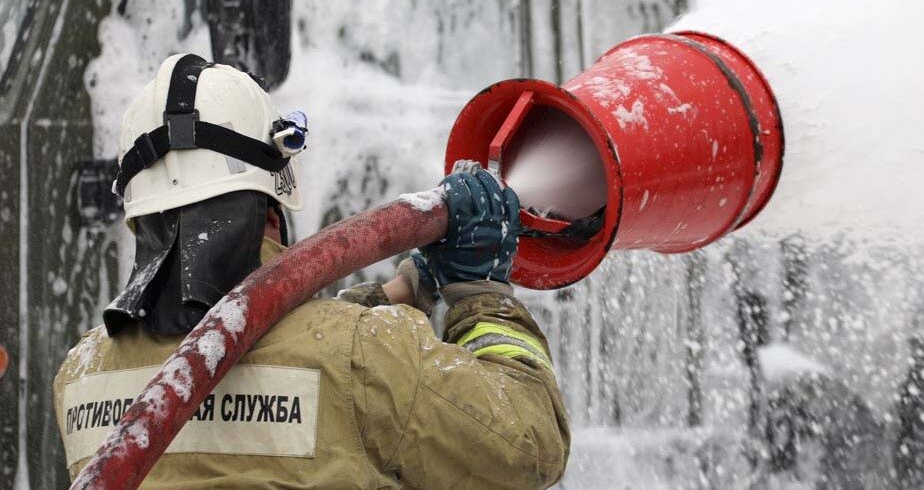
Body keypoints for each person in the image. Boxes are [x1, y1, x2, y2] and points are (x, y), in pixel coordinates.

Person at [54, 54, 569, 488]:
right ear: (271, 207)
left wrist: (403, 291)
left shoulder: (79, 373)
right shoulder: (364, 355)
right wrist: (481, 294)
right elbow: (530, 444)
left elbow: (284, 349)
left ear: (137, 216)